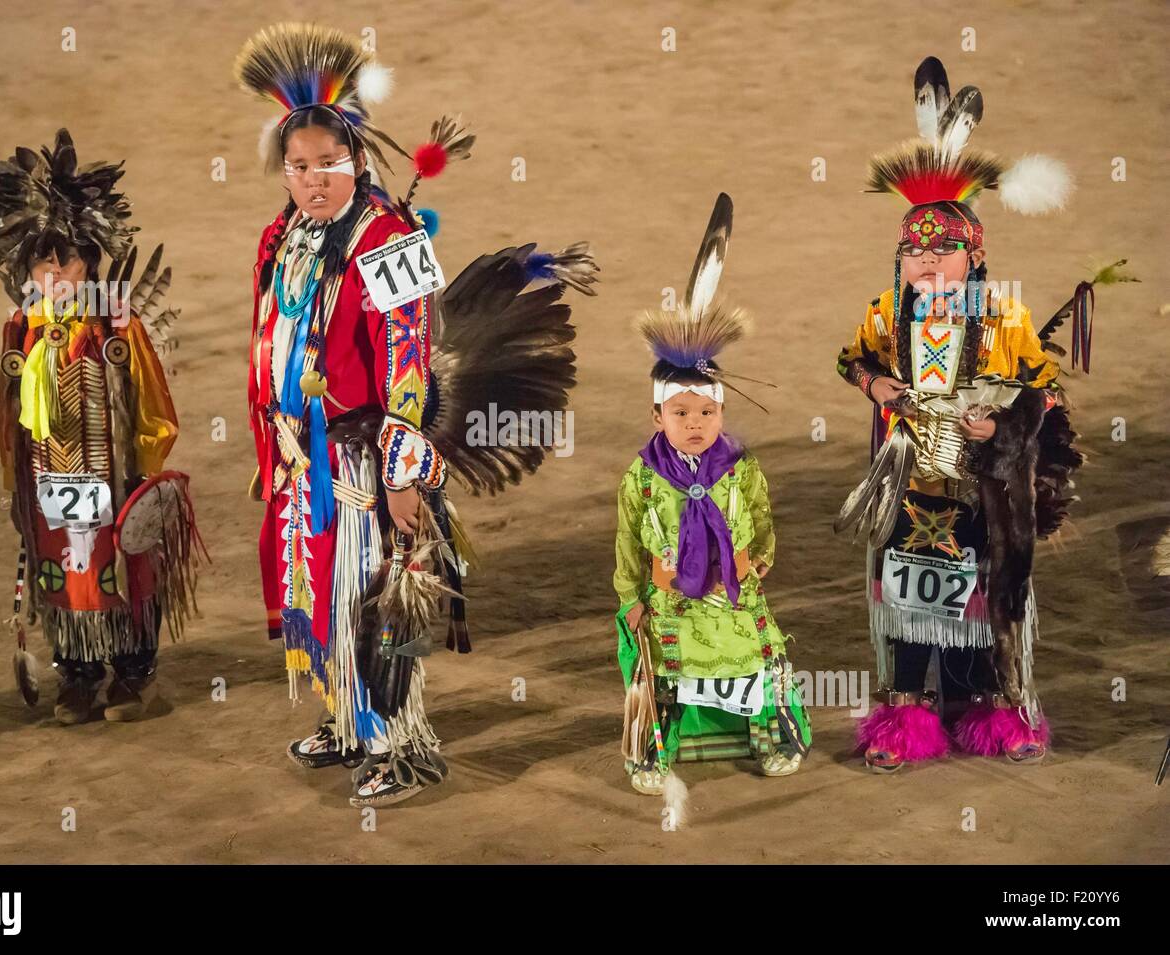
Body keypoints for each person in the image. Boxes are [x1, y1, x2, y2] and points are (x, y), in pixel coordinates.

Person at [237, 22, 598, 807]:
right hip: (306, 458)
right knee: (319, 595)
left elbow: (410, 356)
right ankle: (346, 720)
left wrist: (407, 472)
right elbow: (271, 334)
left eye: (328, 164)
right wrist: (273, 439)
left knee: (376, 595)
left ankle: (399, 745)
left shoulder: (389, 238)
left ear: (357, 160)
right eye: (298, 167)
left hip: (369, 456)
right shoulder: (282, 237)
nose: (313, 180)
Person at [835, 57, 1089, 772]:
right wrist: (876, 387)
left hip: (981, 490)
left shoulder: (1003, 319)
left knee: (985, 600)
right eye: (913, 250)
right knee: (908, 603)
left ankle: (992, 708)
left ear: (974, 257)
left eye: (943, 249)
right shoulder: (888, 316)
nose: (927, 262)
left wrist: (1001, 430)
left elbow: (1045, 392)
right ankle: (906, 716)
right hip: (913, 487)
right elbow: (851, 359)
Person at [0, 130, 203, 725]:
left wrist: (145, 481)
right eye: (41, 257)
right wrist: (15, 484)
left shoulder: (115, 329)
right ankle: (76, 675)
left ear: (90, 259)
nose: (53, 269)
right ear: (23, 264)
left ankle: (134, 673)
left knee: (121, 572)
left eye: (65, 255)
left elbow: (152, 405)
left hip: (114, 478)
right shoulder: (21, 331)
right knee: (61, 577)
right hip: (51, 481)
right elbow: (8, 419)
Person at [613, 194, 810, 821]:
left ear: (722, 412)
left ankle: (772, 731)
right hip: (672, 598)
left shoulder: (740, 466)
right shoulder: (641, 478)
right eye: (680, 413)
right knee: (664, 672)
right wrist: (632, 597)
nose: (695, 423)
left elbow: (762, 515)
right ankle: (654, 744)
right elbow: (627, 544)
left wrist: (758, 563)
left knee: (764, 660)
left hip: (734, 594)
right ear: (656, 415)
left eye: (706, 412)